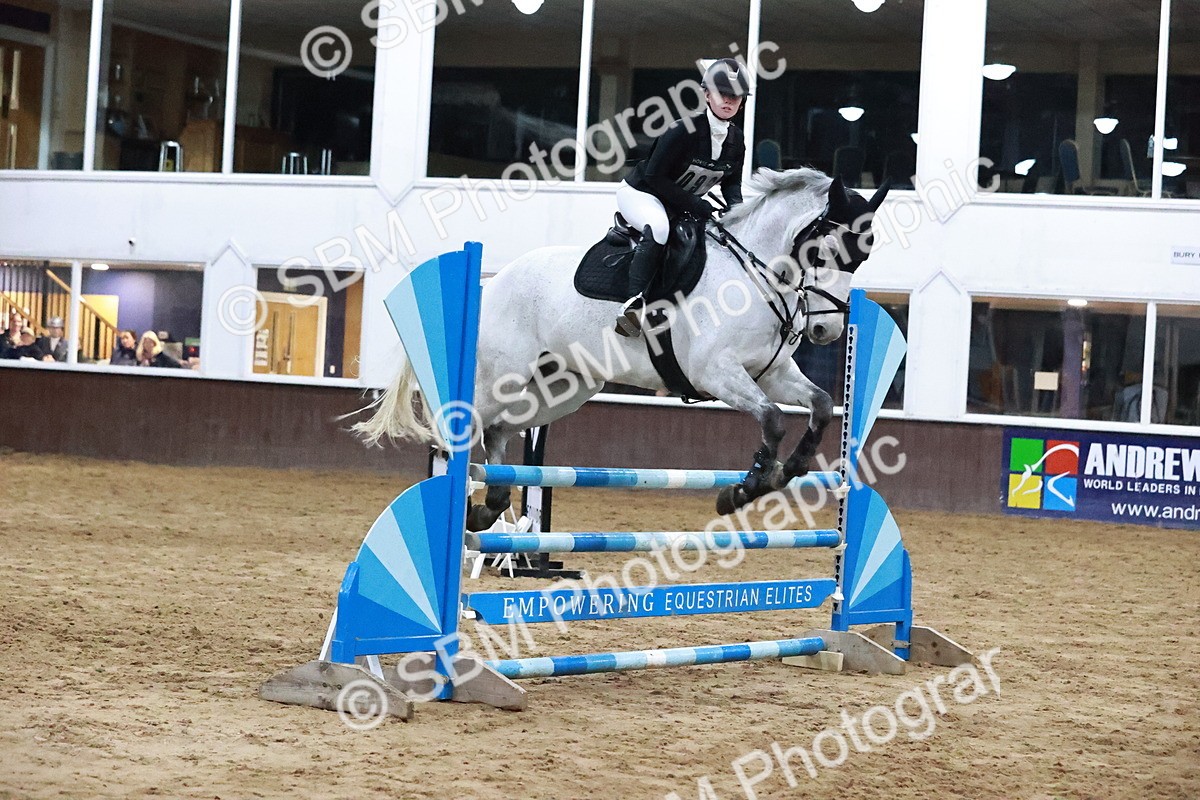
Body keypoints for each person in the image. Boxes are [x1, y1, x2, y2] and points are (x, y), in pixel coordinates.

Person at [614, 57, 750, 337]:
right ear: (706, 94)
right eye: (723, 94)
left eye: (736, 97)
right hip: (642, 194)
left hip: (680, 204)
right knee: (661, 229)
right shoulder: (682, 130)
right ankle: (632, 305)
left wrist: (739, 215)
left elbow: (731, 186)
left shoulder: (737, 140)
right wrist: (696, 204)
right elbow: (654, 176)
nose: (729, 101)